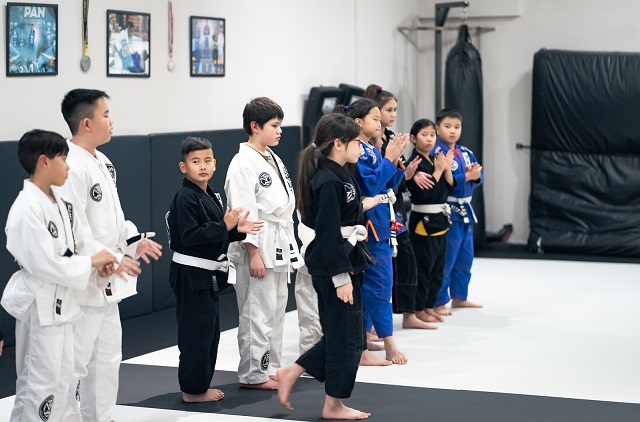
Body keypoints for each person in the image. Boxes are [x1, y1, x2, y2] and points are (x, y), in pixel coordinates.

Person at [59, 89, 163, 422]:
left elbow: (112, 220)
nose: (111, 120)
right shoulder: (69, 165)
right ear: (87, 122)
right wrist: (110, 258)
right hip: (83, 284)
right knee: (74, 364)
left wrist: (133, 243)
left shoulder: (102, 160)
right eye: (106, 115)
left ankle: (100, 417)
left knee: (106, 360)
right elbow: (75, 231)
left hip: (107, 286)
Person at [1, 129, 118, 422]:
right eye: (63, 160)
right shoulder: (26, 208)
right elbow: (45, 263)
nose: (68, 166)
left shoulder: (61, 203)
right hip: (40, 303)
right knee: (38, 386)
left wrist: (101, 259)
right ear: (44, 161)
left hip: (66, 303)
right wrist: (90, 262)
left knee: (65, 379)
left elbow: (81, 241)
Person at [277, 113, 372, 420]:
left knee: (349, 334)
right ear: (339, 143)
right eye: (356, 141)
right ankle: (332, 404)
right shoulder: (327, 179)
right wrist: (341, 277)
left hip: (344, 258)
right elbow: (328, 232)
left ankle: (295, 370)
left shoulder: (340, 174)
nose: (361, 146)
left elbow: (343, 220)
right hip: (333, 267)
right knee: (345, 335)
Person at [166, 136, 263, 402]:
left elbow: (212, 236)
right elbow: (190, 237)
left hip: (206, 275)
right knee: (195, 335)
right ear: (183, 167)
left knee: (209, 333)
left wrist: (237, 232)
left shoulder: (210, 194)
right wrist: (225, 226)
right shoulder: (185, 196)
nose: (203, 166)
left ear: (215, 164)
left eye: (207, 160)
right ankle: (193, 391)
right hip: (191, 275)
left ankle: (199, 386)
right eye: (195, 161)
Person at [224, 97, 302, 389]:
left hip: (278, 240)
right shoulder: (242, 163)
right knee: (256, 312)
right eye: (274, 125)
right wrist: (253, 253)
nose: (280, 130)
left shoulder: (271, 156)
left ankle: (272, 368)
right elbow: (243, 215)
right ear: (255, 126)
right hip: (257, 246)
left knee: (276, 310)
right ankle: (253, 374)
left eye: (280, 125)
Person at [336, 98, 408, 365]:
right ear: (358, 123)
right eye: (375, 118)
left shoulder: (369, 150)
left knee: (374, 285)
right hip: (370, 226)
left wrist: (396, 166)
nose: (380, 123)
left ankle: (365, 336)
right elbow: (368, 186)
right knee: (379, 285)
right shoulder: (360, 152)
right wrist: (387, 159)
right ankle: (389, 343)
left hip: (380, 221)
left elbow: (385, 183)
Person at [363, 84, 436, 330]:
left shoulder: (391, 138)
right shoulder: (365, 145)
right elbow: (372, 182)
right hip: (374, 212)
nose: (393, 115)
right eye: (388, 110)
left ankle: (408, 313)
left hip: (393, 209)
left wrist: (405, 172)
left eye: (396, 110)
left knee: (405, 264)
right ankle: (371, 326)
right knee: (378, 273)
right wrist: (393, 164)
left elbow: (392, 178)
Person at [432, 108, 484, 315]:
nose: (453, 131)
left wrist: (475, 176)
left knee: (465, 256)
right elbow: (447, 182)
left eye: (457, 127)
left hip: (466, 209)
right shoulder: (437, 152)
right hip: (448, 209)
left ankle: (460, 296)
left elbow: (478, 174)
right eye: (447, 126)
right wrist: (466, 177)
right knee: (447, 258)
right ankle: (438, 301)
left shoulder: (465, 151)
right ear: (437, 128)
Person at [407, 119, 456, 324]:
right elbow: (427, 193)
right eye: (424, 135)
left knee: (437, 267)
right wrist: (437, 170)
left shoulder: (434, 159)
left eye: (432, 135)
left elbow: (450, 188)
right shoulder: (415, 163)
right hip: (423, 220)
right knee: (424, 268)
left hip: (440, 218)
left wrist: (445, 169)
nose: (429, 139)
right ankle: (418, 309)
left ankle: (428, 306)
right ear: (413, 138)